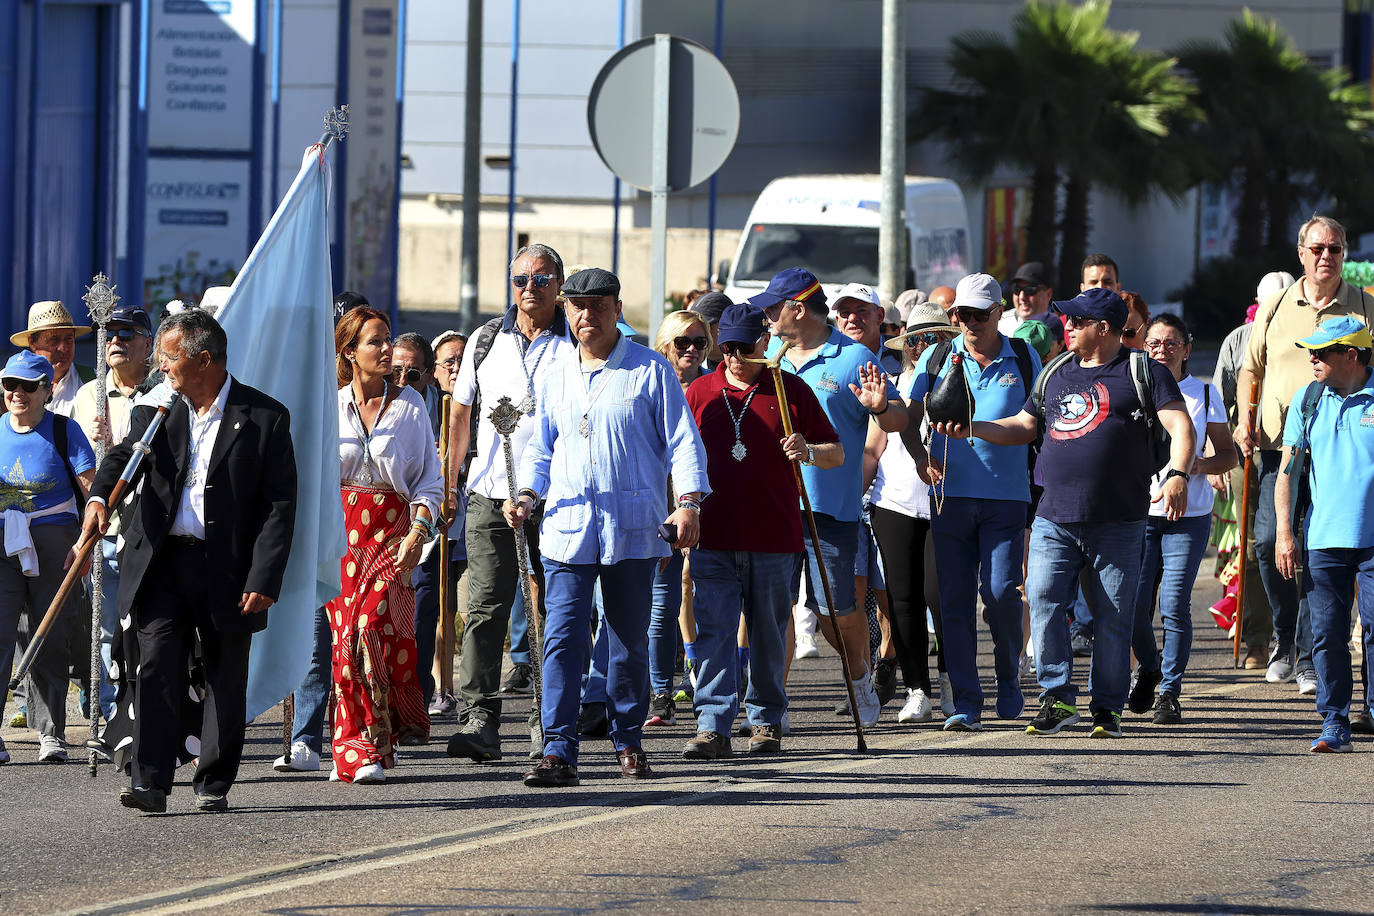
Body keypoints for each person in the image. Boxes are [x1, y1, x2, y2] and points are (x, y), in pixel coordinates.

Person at [933, 286, 1194, 739]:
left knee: (1112, 617)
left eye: (1077, 321)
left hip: (1119, 518)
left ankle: (1107, 707)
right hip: (1054, 515)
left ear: (1104, 328)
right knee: (1044, 601)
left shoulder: (1142, 371)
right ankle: (1055, 698)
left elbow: (1180, 426)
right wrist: (975, 428)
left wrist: (1177, 475)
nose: (1066, 327)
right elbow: (1025, 426)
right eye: (1066, 320)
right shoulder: (1055, 371)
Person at [83, 309, 296, 812]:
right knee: (156, 665)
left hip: (228, 567)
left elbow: (279, 506)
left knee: (225, 673)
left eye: (169, 358)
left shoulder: (264, 417)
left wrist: (264, 576)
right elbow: (122, 459)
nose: (160, 368)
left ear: (203, 360)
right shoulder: (159, 408)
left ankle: (213, 782)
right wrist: (98, 498)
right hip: (162, 562)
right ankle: (150, 782)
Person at [510, 267, 708, 787]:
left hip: (631, 528)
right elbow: (540, 447)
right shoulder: (555, 376)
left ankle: (629, 741)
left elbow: (684, 442)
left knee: (627, 643)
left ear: (618, 309)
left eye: (598, 305)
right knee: (561, 641)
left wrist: (687, 503)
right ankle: (558, 750)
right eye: (576, 306)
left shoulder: (649, 370)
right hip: (568, 528)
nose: (586, 315)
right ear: (565, 312)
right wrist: (528, 495)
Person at [682, 303, 841, 758]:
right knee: (715, 630)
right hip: (714, 535)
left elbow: (836, 453)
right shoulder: (700, 393)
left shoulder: (790, 390)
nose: (734, 357)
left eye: (743, 347)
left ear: (764, 344)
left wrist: (808, 449)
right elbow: (677, 457)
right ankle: (712, 724)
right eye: (726, 347)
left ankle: (767, 719)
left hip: (774, 536)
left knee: (769, 633)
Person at [445, 243, 577, 763]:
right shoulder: (483, 341)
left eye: (542, 280)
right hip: (488, 491)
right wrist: (449, 483)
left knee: (560, 609)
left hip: (560, 495)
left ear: (559, 285)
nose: (530, 289)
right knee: (484, 608)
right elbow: (459, 417)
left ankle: (553, 715)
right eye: (521, 279)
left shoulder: (576, 342)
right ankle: (480, 718)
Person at [759, 267, 907, 727]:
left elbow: (899, 418)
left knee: (834, 615)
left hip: (833, 511)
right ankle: (770, 708)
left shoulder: (852, 357)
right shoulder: (771, 357)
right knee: (774, 611)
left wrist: (880, 406)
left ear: (797, 309)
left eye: (771, 308)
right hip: (778, 507)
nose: (766, 317)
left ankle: (859, 677)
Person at [1236, 216, 1374, 695]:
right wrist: (1242, 420)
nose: (1326, 257)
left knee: (1319, 553)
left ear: (1344, 254)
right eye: (1317, 248)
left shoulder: (1365, 307)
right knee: (1269, 544)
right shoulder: (1274, 308)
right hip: (1280, 447)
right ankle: (1285, 635)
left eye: (1335, 249)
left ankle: (1310, 655)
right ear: (1301, 253)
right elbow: (1249, 368)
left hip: (1342, 453)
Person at [904, 273, 1042, 730]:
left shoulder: (1022, 355)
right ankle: (966, 701)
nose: (971, 323)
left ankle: (1009, 679)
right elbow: (908, 416)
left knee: (1002, 593)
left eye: (981, 314)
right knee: (954, 601)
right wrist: (918, 452)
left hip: (1006, 498)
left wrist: (976, 430)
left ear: (999, 312)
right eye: (963, 314)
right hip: (949, 497)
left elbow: (1033, 425)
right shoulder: (938, 355)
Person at [327, 306, 443, 783]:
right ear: (349, 352)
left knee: (373, 629)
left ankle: (371, 741)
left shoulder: (411, 405)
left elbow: (429, 482)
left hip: (392, 537)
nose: (386, 351)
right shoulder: (330, 405)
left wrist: (419, 531)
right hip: (340, 537)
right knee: (344, 642)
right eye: (375, 342)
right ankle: (352, 746)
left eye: (388, 340)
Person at [1128, 314, 1235, 724]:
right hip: (1139, 514)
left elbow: (1228, 453)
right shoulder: (1135, 388)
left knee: (1174, 604)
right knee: (1135, 609)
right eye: (1153, 343)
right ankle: (1150, 667)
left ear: (1187, 349)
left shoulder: (1203, 393)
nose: (1161, 350)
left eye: (1171, 343)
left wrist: (1199, 465)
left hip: (1189, 516)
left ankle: (1169, 690)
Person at [1274, 316, 1374, 753]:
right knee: (1327, 633)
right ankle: (1335, 721)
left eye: (1321, 352)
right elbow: (1288, 472)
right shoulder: (1308, 399)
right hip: (1324, 538)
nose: (1311, 359)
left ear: (1351, 356)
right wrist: (1284, 533)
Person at [0, 352, 96, 766]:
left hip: (56, 542)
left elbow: (94, 492)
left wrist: (87, 543)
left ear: (47, 390)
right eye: (9, 385)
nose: (17, 393)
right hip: (3, 542)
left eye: (27, 386)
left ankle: (51, 732)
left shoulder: (64, 430)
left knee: (51, 637)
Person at [872, 300, 960, 723]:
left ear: (947, 340)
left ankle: (950, 682)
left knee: (940, 596)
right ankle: (916, 689)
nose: (920, 346)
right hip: (893, 500)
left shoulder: (962, 376)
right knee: (902, 598)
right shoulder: (894, 384)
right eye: (914, 339)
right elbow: (877, 442)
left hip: (945, 500)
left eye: (931, 338)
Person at [71, 304, 154, 722]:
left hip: (146, 528)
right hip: (104, 527)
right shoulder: (90, 395)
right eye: (111, 336)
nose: (116, 342)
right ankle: (107, 716)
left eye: (127, 334)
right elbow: (71, 462)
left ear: (148, 343)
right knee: (103, 627)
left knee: (144, 625)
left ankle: (143, 709)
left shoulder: (160, 395)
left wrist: (117, 441)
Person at [646, 309, 714, 726]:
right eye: (682, 343)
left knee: (687, 600)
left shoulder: (714, 387)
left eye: (699, 343)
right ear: (665, 345)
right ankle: (657, 692)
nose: (690, 350)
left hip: (700, 506)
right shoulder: (649, 378)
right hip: (651, 506)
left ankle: (705, 680)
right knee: (656, 606)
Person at [427, 329, 469, 717]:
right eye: (448, 363)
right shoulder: (426, 407)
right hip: (442, 518)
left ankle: (468, 685)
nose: (456, 369)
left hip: (478, 512)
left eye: (462, 360)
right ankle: (443, 685)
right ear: (435, 371)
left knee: (476, 607)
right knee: (443, 605)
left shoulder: (478, 402)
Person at [10, 300, 95, 418]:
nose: (63, 348)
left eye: (69, 339)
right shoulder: (9, 383)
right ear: (32, 342)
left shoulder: (93, 381)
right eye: (53, 340)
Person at [998, 261, 1054, 335]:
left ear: (1048, 294)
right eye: (1016, 289)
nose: (1022, 297)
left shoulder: (1064, 327)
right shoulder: (999, 325)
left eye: (1030, 290)